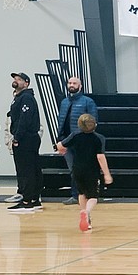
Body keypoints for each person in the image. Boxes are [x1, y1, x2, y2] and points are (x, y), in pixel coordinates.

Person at [60, 114, 112, 232]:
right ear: (95, 125)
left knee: (82, 193)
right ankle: (86, 212)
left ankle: (86, 219)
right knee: (93, 196)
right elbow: (100, 157)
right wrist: (106, 173)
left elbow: (61, 145)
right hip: (91, 171)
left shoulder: (75, 135)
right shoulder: (99, 138)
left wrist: (61, 150)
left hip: (77, 169)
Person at [55, 76, 99, 204]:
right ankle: (76, 195)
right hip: (66, 141)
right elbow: (61, 121)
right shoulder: (64, 102)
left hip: (81, 141)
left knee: (81, 169)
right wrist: (60, 140)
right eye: (69, 82)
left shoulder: (88, 102)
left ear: (80, 86)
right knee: (72, 169)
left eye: (74, 83)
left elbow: (92, 121)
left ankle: (86, 194)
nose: (71, 85)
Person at [7, 72, 43, 214]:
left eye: (20, 79)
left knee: (26, 169)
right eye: (15, 78)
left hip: (26, 138)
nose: (16, 80)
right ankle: (34, 199)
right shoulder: (19, 97)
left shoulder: (26, 98)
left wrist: (17, 137)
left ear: (26, 83)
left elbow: (24, 119)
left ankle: (27, 201)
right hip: (27, 138)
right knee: (32, 168)